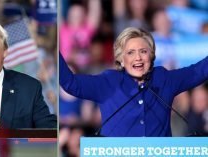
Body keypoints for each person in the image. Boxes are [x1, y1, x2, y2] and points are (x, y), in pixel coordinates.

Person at [60, 27, 208, 137]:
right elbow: (70, 83)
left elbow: (199, 71)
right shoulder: (107, 82)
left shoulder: (163, 79)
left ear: (151, 56)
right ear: (121, 59)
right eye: (131, 52)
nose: (138, 58)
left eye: (143, 51)